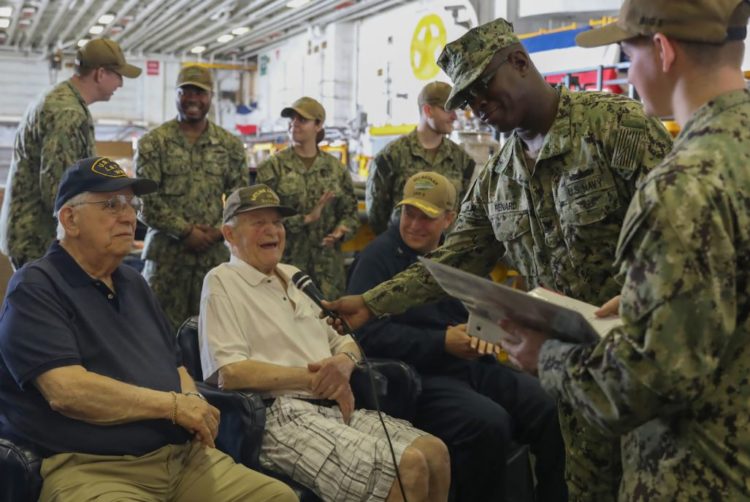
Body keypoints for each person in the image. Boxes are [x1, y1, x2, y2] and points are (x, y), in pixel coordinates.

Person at [324, 17, 674, 501]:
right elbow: (455, 258)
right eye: (466, 100)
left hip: (644, 371)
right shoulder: (498, 177)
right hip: (568, 376)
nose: (477, 107)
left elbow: (683, 240)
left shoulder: (616, 128)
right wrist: (371, 302)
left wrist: (639, 301)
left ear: (519, 62)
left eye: (482, 88)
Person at [500, 1, 750, 500]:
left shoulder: (681, 186)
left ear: (662, 50)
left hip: (696, 477)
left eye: (628, 54)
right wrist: (648, 301)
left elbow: (642, 386)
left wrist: (544, 355)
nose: (628, 72)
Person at [0, 157, 297, 502]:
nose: (129, 216)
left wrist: (191, 400)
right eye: (111, 205)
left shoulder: (134, 282)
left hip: (180, 459)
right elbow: (67, 391)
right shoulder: (36, 288)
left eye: (132, 205)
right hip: (91, 467)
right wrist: (173, 406)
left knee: (277, 497)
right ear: (70, 219)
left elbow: (175, 366)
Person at [199, 184, 450, 502]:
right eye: (258, 222)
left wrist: (343, 364)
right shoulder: (222, 280)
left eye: (277, 222)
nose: (272, 230)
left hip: (335, 405)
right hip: (280, 415)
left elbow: (347, 340)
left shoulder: (295, 276)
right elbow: (229, 372)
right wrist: (315, 378)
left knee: (434, 452)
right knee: (407, 466)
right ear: (229, 234)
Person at [348, 171, 566, 501]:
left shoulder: (458, 256)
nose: (414, 225)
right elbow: (365, 336)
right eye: (409, 213)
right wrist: (441, 342)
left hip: (472, 364)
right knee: (488, 424)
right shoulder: (377, 259)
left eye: (426, 217)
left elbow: (483, 306)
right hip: (419, 376)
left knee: (550, 406)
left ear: (449, 219)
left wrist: (488, 331)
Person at [0, 38, 141, 269]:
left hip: (37, 233)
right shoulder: (67, 112)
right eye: (118, 75)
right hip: (40, 238)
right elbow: (59, 190)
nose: (121, 84)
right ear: (100, 74)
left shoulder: (61, 100)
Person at [136, 65, 246, 331]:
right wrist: (185, 231)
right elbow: (144, 201)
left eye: (200, 92)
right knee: (156, 332)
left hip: (212, 260)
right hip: (166, 261)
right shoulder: (154, 143)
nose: (193, 99)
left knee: (215, 333)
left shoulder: (229, 145)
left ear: (211, 97)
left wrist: (219, 231)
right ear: (176, 94)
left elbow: (240, 199)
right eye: (186, 91)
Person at [256, 97, 359, 298]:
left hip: (328, 273)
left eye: (302, 120)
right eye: (292, 119)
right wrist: (305, 219)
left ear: (318, 125)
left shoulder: (336, 169)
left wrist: (340, 231)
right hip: (285, 269)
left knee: (328, 318)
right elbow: (262, 218)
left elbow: (350, 214)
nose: (294, 124)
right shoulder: (272, 168)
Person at [366, 81, 476, 234]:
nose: (454, 117)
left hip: (444, 247)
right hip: (401, 245)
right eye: (448, 110)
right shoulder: (391, 157)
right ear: (428, 110)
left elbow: (461, 211)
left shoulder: (463, 161)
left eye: (455, 111)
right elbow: (376, 216)